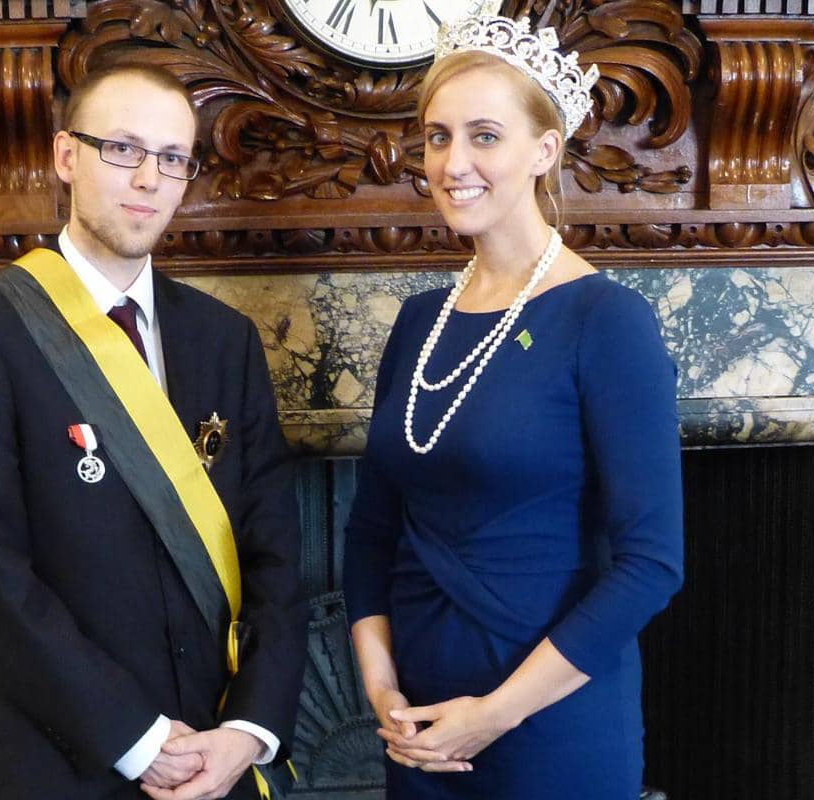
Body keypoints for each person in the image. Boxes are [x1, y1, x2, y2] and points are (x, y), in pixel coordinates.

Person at [0, 63, 307, 800]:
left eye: (172, 158)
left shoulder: (226, 340)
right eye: (123, 149)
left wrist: (249, 730)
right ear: (67, 156)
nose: (149, 179)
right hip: (65, 763)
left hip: (217, 763)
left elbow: (277, 562)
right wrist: (135, 736)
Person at [342, 7, 684, 799]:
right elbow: (370, 530)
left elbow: (652, 566)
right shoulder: (421, 322)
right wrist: (382, 689)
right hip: (421, 731)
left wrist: (493, 714)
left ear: (544, 149)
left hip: (549, 730)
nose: (453, 161)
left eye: (484, 135)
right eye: (437, 136)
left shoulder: (607, 321)